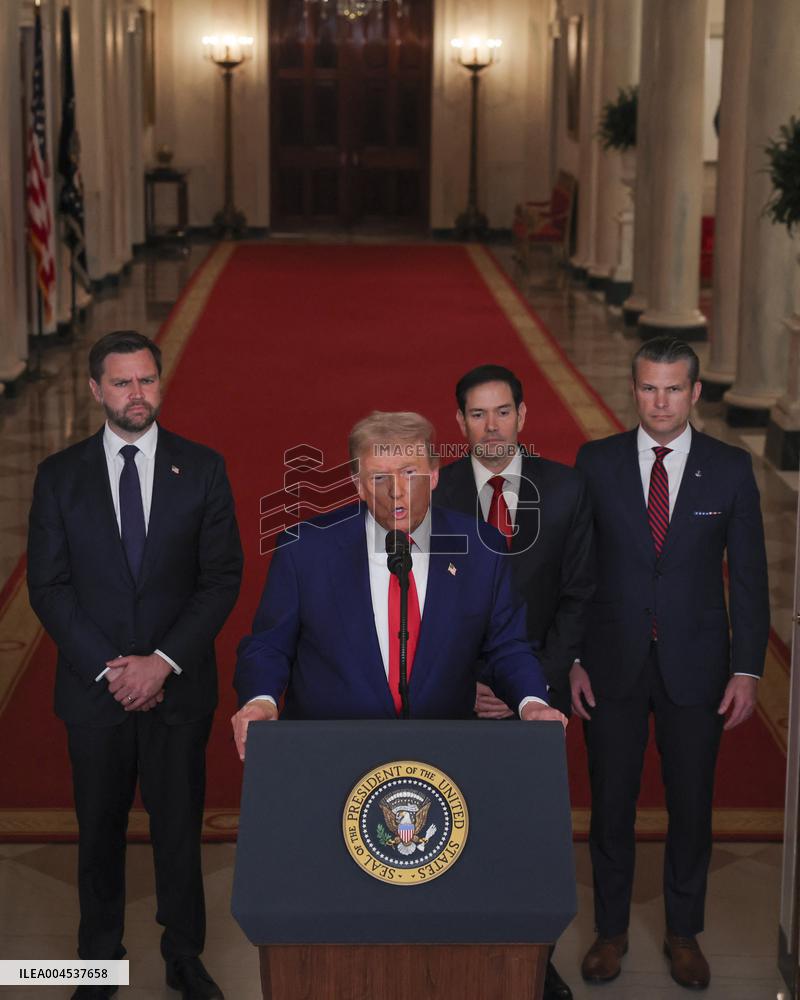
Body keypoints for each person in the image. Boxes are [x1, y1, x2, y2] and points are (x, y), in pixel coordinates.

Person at [27, 331, 243, 1000]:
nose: (137, 394)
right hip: (95, 694)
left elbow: (221, 577)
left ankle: (185, 956)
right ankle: (98, 964)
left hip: (178, 690)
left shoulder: (202, 468)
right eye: (122, 383)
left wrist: (162, 664)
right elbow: (49, 586)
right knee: (99, 832)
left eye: (147, 380)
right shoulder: (59, 476)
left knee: (179, 830)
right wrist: (115, 669)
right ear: (96, 390)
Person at [572, 337, 770, 991]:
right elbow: (578, 571)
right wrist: (572, 656)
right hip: (611, 663)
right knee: (610, 805)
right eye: (649, 389)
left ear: (695, 393)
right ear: (635, 391)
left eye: (673, 389)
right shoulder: (595, 462)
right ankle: (610, 932)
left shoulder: (731, 468)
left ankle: (684, 934)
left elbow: (748, 578)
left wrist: (747, 669)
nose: (660, 402)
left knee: (691, 804)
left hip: (698, 667)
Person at [231, 410, 566, 756]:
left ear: (434, 475)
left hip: (442, 756)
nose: (396, 491)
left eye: (410, 473)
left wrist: (532, 703)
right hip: (329, 753)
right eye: (379, 478)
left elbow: (507, 647)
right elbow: (269, 646)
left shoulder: (481, 547)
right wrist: (261, 700)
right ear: (358, 485)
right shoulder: (305, 549)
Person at [433, 364, 593, 1000]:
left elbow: (580, 597)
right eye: (477, 414)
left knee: (531, 837)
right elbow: (420, 605)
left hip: (537, 700)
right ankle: (461, 959)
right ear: (460, 423)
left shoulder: (568, 490)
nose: (491, 426)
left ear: (524, 417)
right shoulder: (435, 492)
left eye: (503, 412)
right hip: (458, 697)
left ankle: (534, 963)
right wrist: (467, 685)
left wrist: (532, 687)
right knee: (459, 830)